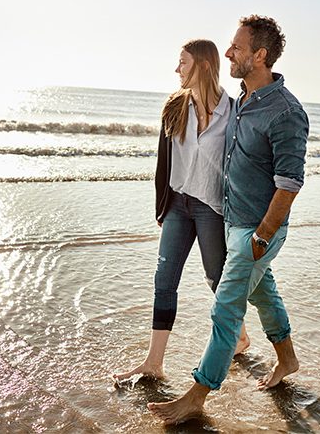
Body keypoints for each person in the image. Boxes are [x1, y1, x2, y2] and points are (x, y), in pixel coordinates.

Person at [148, 15, 309, 424]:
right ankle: (287, 361)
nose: (229, 53)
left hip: (256, 230)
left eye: (236, 47)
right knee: (264, 296)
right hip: (232, 223)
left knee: (226, 309)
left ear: (259, 55)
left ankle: (197, 395)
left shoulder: (285, 112)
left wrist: (262, 237)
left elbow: (289, 183)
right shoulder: (242, 103)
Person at [113, 39, 250, 382]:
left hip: (211, 208)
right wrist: (161, 207)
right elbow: (164, 161)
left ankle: (242, 337)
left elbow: (242, 165)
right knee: (164, 281)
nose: (177, 70)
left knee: (216, 278)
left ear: (203, 65)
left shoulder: (233, 112)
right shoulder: (174, 106)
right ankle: (154, 362)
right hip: (177, 204)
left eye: (183, 63)